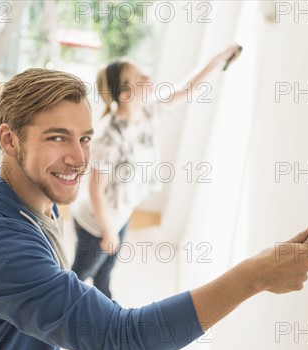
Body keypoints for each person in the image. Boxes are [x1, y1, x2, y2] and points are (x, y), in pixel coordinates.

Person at [0, 68, 308, 350]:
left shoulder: (18, 191)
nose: (80, 158)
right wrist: (251, 277)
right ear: (9, 139)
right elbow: (123, 338)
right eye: (57, 137)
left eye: (84, 138)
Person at [71, 45, 243, 298]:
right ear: (126, 94)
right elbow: (95, 191)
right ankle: (53, 319)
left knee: (106, 272)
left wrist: (218, 59)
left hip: (121, 213)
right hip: (96, 223)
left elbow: (186, 88)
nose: (148, 77)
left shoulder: (148, 110)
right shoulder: (110, 136)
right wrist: (108, 232)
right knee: (78, 276)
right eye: (140, 77)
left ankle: (105, 306)